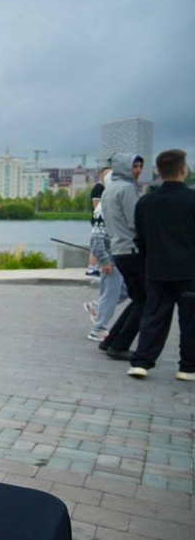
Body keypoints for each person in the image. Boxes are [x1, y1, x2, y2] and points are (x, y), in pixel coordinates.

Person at [128, 149, 195, 381]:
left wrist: (148, 261)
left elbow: (140, 237)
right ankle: (187, 367)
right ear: (183, 170)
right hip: (189, 270)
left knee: (154, 316)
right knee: (190, 320)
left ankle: (141, 362)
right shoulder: (192, 200)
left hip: (156, 269)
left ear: (158, 171)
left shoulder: (146, 202)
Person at [97, 153, 145, 361]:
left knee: (138, 298)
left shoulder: (110, 190)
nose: (138, 170)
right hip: (132, 249)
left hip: (118, 250)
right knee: (145, 299)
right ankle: (119, 345)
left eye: (140, 166)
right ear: (125, 167)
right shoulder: (126, 189)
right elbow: (136, 222)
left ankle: (111, 341)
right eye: (135, 166)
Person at [85, 170, 128, 342]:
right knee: (111, 293)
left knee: (127, 290)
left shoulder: (112, 203)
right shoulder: (105, 206)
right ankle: (99, 328)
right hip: (111, 258)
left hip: (117, 256)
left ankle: (97, 307)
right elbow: (96, 236)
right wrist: (104, 259)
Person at [85, 167, 110, 276]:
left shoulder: (106, 188)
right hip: (99, 221)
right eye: (107, 174)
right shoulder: (99, 188)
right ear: (101, 176)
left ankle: (97, 266)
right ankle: (92, 268)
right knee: (97, 243)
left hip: (102, 221)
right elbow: (96, 206)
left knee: (102, 244)